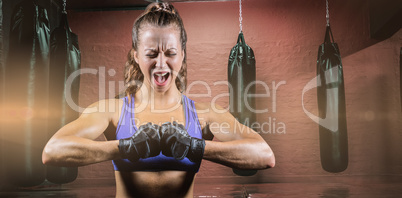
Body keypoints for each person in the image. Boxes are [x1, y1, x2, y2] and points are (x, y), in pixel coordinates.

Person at [42, 2, 275, 198]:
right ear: (136, 55)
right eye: (151, 54)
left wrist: (195, 146)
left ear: (182, 55)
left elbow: (264, 155)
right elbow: (53, 151)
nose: (161, 64)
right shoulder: (112, 110)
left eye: (170, 53)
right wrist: (126, 147)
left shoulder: (204, 114)